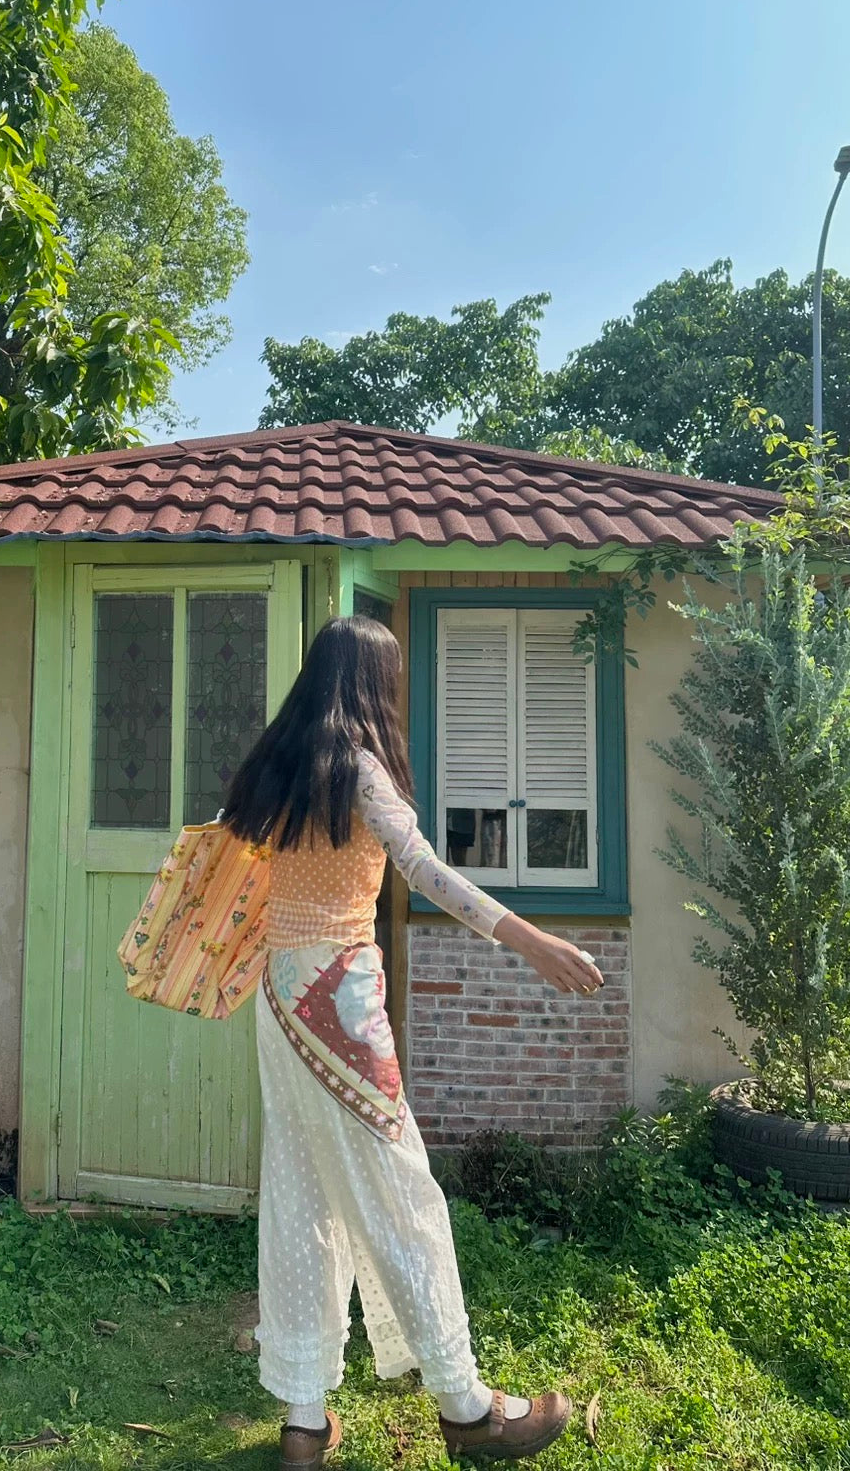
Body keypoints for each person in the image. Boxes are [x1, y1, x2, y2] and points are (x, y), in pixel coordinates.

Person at [221, 615, 605, 1468]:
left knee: (300, 1192)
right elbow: (425, 870)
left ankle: (304, 1418)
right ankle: (467, 1408)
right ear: (371, 687)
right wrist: (532, 940)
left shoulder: (275, 769)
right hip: (339, 1002)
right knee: (406, 1197)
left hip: (279, 999)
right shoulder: (358, 770)